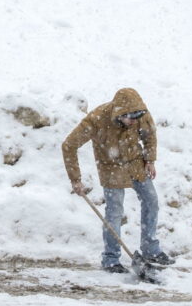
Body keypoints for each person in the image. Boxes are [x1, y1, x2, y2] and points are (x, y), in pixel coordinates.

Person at [62, 87, 174, 272]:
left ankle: (150, 250)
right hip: (110, 166)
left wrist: (150, 160)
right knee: (114, 212)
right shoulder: (97, 119)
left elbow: (150, 135)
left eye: (137, 117)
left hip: (136, 162)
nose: (134, 121)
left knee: (151, 201)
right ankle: (111, 259)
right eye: (130, 117)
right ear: (119, 112)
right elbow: (68, 146)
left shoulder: (139, 115)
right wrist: (75, 179)